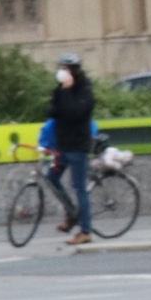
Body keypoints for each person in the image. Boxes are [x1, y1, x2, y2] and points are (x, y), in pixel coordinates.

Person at [49, 55, 98, 240]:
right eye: (61, 68)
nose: (62, 72)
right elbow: (52, 111)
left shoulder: (85, 90)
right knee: (52, 177)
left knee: (79, 188)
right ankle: (72, 213)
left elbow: (75, 113)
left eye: (66, 69)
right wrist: (62, 92)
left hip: (78, 146)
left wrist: (68, 92)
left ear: (74, 71)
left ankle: (86, 231)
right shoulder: (60, 89)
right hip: (62, 145)